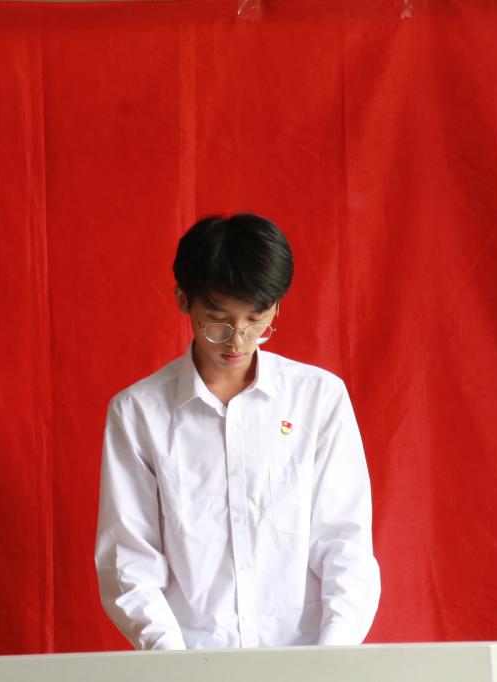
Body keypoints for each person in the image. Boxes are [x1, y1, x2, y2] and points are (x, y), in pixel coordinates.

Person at [94, 213, 380, 650]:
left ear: (276, 307)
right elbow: (130, 560)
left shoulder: (318, 399)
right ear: (183, 300)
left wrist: (330, 661)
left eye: (256, 319)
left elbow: (345, 543)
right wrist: (178, 669)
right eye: (218, 319)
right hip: (189, 664)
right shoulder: (139, 413)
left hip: (308, 662)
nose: (238, 340)